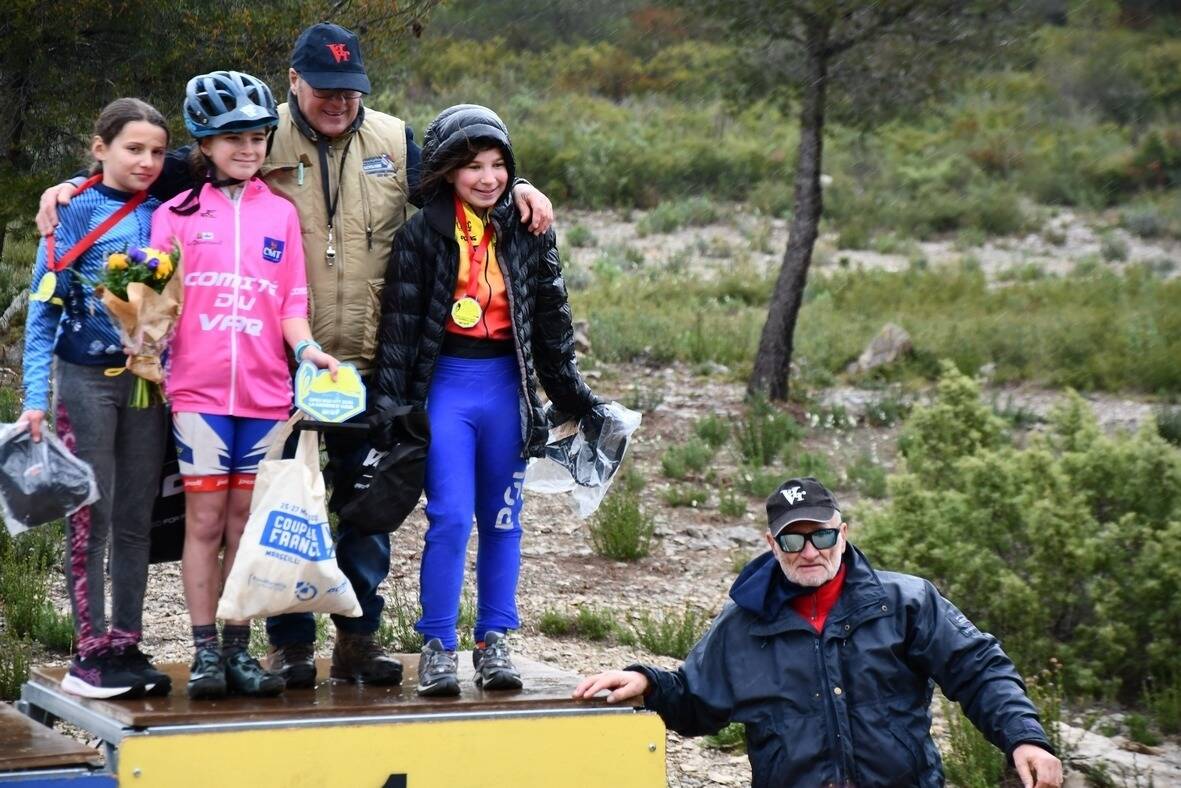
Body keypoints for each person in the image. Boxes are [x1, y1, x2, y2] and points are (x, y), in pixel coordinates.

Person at [36, 22, 556, 689]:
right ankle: (288, 646)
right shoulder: (258, 132)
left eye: (350, 89)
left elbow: (464, 173)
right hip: (275, 368)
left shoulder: (393, 140)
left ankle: (359, 640)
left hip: (366, 363)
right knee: (281, 509)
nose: (338, 101)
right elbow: (152, 169)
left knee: (365, 509)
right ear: (293, 82)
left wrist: (521, 186)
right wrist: (75, 187)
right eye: (324, 89)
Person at [574, 477, 1064, 788]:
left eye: (822, 535)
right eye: (793, 539)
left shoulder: (907, 603)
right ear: (772, 543)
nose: (810, 552)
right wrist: (649, 683)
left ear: (843, 534)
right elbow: (697, 701)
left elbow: (978, 669)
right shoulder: (743, 624)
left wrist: (1025, 738)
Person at [372, 104, 600, 696]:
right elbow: (398, 328)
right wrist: (391, 411)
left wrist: (575, 398)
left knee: (503, 518)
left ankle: (494, 640)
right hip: (447, 388)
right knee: (450, 516)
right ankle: (438, 644)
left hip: (506, 390)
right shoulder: (422, 233)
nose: (488, 178)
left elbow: (552, 321)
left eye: (499, 165)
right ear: (448, 169)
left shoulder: (527, 227)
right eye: (473, 166)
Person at [149, 70, 341, 699]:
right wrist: (144, 343)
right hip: (198, 396)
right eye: (234, 138)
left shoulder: (280, 214)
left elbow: (291, 306)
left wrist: (308, 351)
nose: (249, 149)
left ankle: (238, 649)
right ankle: (204, 651)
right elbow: (155, 305)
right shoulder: (175, 216)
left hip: (265, 398)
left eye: (258, 137)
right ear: (204, 143)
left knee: (245, 525)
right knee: (204, 522)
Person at [18, 98, 172, 699]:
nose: (147, 161)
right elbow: (42, 313)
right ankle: (89, 653)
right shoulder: (73, 211)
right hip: (83, 382)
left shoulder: (164, 211)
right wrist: (35, 398)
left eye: (157, 151)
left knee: (136, 519)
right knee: (92, 517)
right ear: (100, 147)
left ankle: (126, 644)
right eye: (134, 149)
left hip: (145, 383)